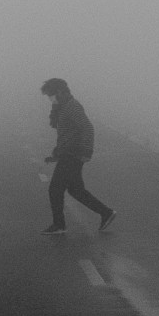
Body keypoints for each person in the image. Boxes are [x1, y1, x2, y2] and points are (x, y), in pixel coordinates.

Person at [41, 78, 115, 235]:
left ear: (60, 92)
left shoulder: (72, 107)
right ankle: (106, 213)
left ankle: (59, 225)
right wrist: (56, 154)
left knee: (55, 189)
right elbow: (67, 134)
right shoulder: (63, 107)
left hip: (74, 154)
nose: (50, 99)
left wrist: (87, 152)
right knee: (76, 190)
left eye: (51, 95)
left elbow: (87, 128)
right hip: (68, 154)